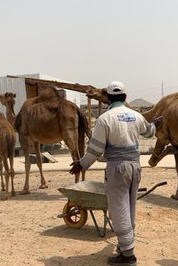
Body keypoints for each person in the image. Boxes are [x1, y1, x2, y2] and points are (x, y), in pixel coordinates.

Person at [70, 81, 162, 266]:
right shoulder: (136, 116)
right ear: (125, 97)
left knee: (119, 209)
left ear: (108, 99)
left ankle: (128, 255)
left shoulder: (105, 119)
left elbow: (95, 149)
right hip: (135, 167)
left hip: (117, 168)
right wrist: (156, 123)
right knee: (130, 206)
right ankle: (124, 245)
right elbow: (149, 131)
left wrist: (82, 164)